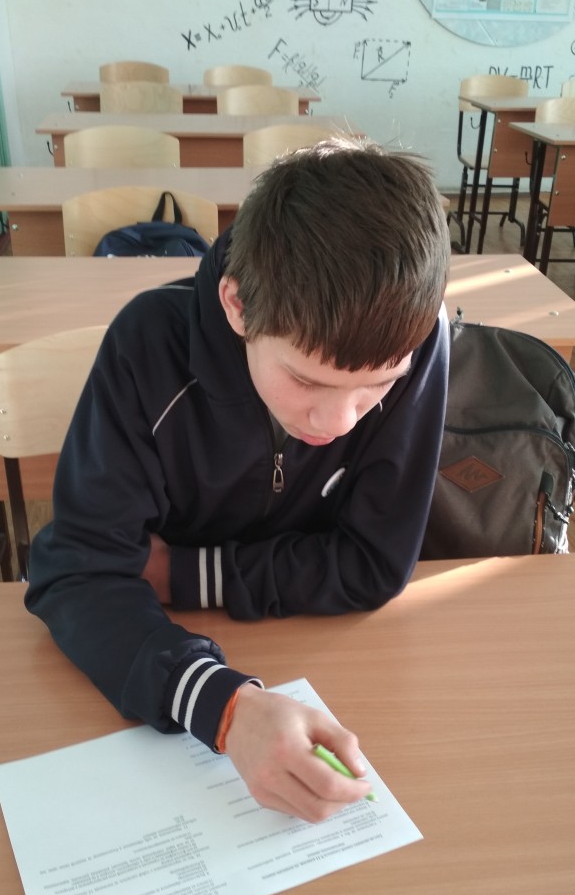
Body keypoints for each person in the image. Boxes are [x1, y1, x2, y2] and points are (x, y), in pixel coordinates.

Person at [25, 136, 451, 823]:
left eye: (378, 386)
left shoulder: (419, 339)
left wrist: (185, 574)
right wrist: (225, 706)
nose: (339, 420)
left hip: (301, 646)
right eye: (306, 380)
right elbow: (76, 574)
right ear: (237, 304)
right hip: (165, 658)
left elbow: (373, 564)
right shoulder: (146, 346)